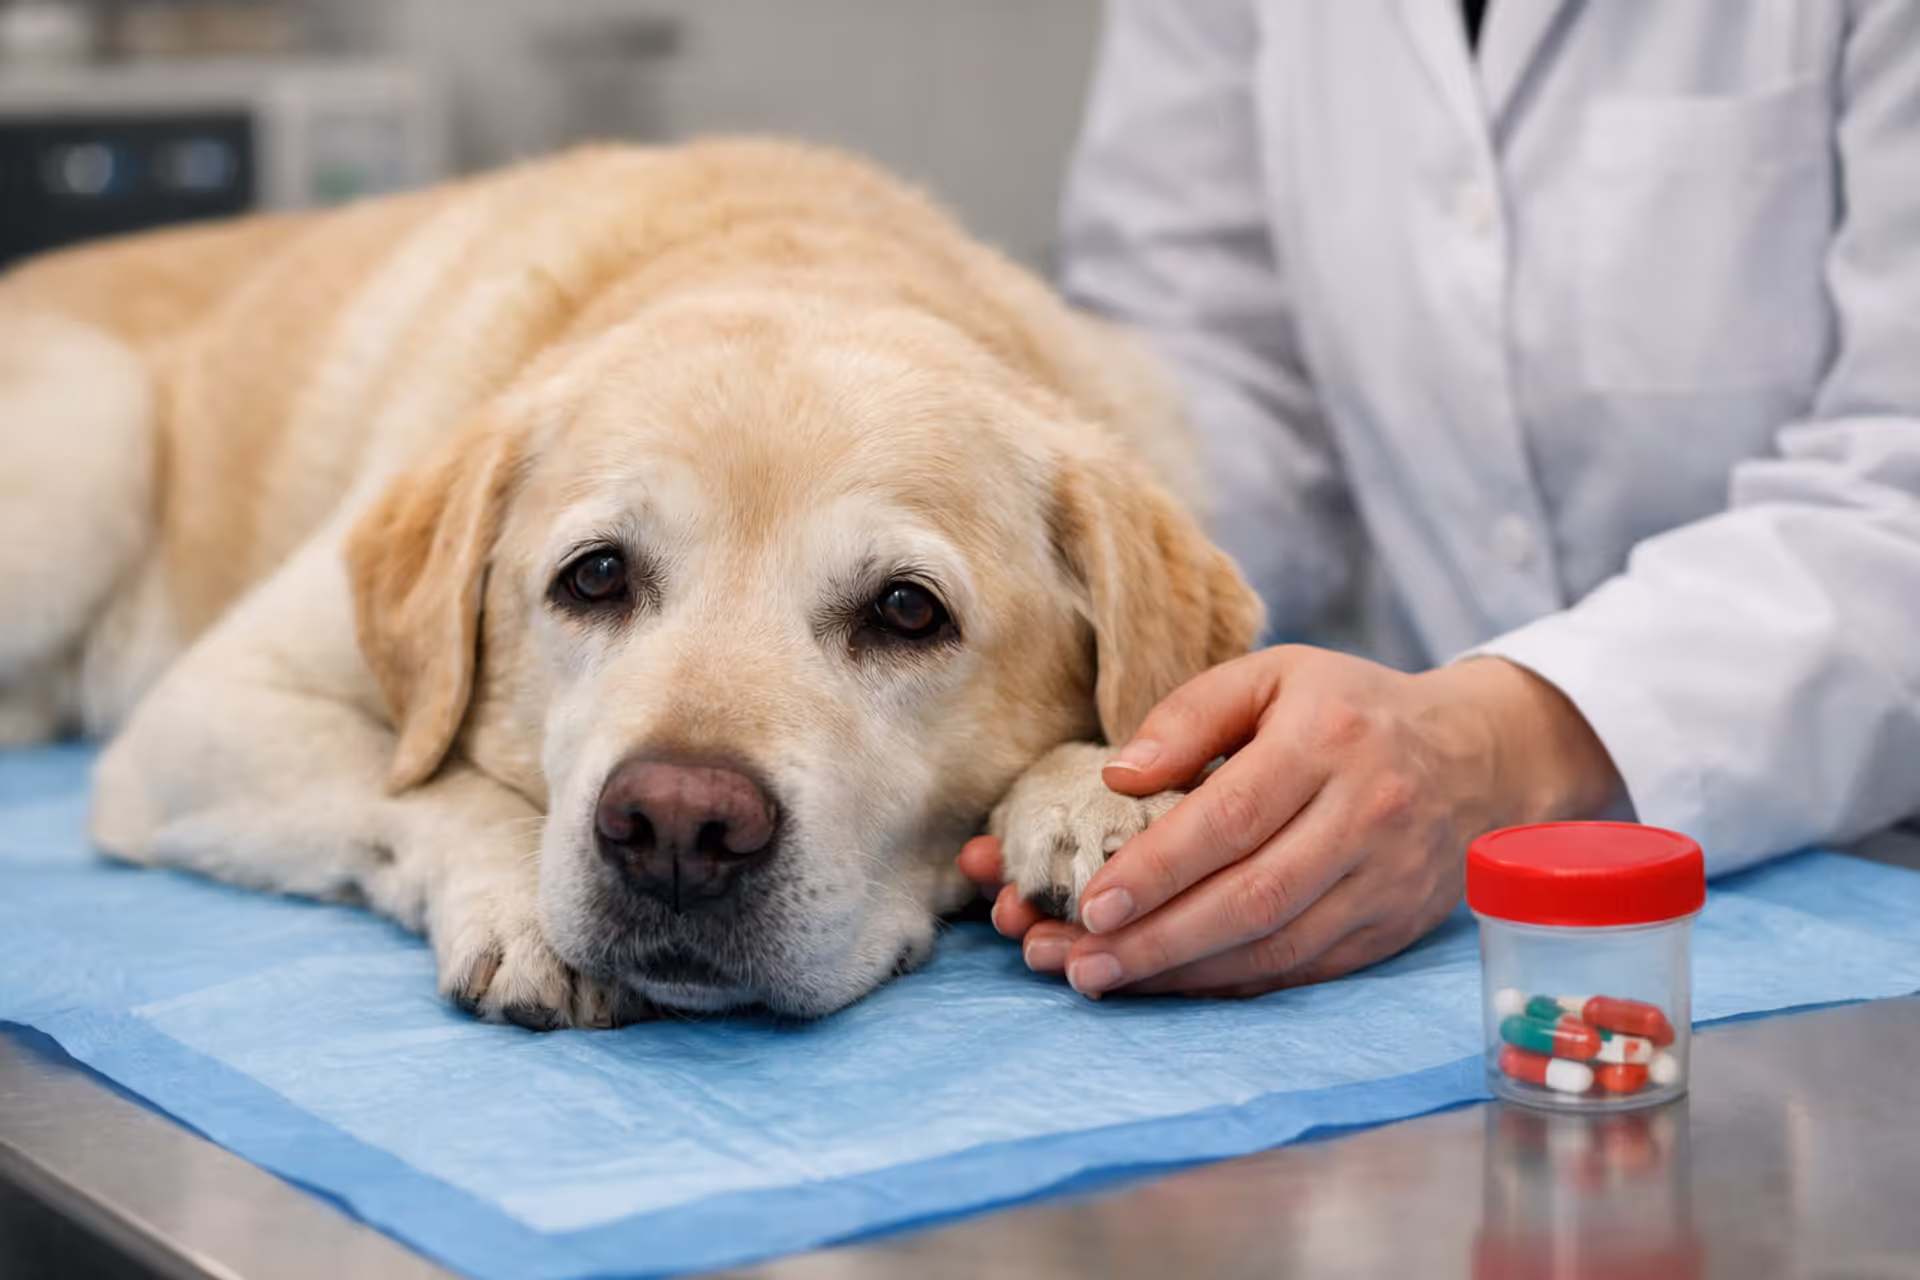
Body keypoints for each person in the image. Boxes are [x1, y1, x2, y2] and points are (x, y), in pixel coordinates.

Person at [958, 0, 1920, 999]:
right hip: (1416, 875)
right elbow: (1213, 381)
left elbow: (1904, 492)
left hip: (1870, 845)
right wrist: (1099, 636)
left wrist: (1489, 742)